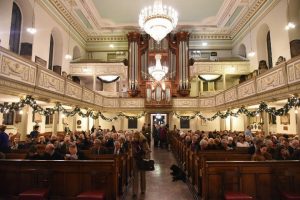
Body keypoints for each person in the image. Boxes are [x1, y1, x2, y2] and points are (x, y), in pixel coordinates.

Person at [131, 131, 150, 198]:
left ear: (139, 136)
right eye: (134, 137)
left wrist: (144, 152)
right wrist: (134, 153)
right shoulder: (133, 142)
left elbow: (147, 149)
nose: (135, 138)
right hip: (135, 160)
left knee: (142, 175)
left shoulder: (144, 141)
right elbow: (132, 150)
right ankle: (135, 192)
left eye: (136, 137)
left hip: (142, 159)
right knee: (135, 176)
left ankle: (143, 190)